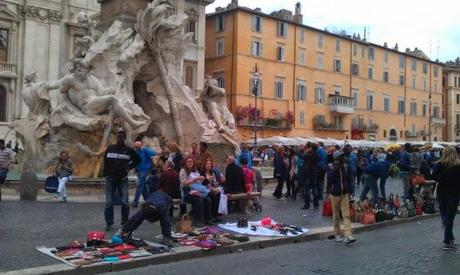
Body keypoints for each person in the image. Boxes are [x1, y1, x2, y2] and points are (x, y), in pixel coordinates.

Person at [103, 130, 141, 231]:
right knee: (108, 202)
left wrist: (129, 167)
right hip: (110, 178)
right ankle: (109, 223)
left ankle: (124, 222)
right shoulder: (110, 148)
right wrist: (106, 173)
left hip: (123, 178)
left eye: (121, 137)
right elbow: (105, 161)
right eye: (118, 137)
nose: (119, 139)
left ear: (124, 138)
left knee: (124, 201)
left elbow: (138, 159)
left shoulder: (128, 150)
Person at [432, 146, 460, 250]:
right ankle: (448, 241)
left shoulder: (440, 164)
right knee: (450, 218)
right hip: (454, 193)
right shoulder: (458, 165)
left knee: (445, 216)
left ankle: (449, 238)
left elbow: (433, 176)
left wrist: (443, 179)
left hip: (442, 192)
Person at [326, 150, 356, 244]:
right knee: (335, 216)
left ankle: (348, 235)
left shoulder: (346, 166)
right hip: (334, 194)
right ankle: (337, 234)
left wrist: (351, 190)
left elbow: (350, 179)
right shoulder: (330, 166)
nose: (344, 158)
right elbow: (330, 179)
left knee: (346, 215)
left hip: (344, 194)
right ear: (337, 158)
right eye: (342, 157)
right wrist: (336, 168)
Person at [179, 157, 213, 226]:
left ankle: (208, 219)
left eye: (191, 161)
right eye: (188, 161)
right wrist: (195, 179)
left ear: (193, 162)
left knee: (208, 199)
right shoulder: (183, 171)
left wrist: (202, 179)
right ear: (185, 163)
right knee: (198, 200)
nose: (189, 162)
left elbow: (199, 182)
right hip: (187, 192)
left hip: (197, 190)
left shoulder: (196, 170)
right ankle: (198, 220)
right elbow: (184, 183)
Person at [131, 141, 156, 208]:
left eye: (138, 148)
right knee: (143, 186)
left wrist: (153, 154)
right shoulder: (137, 151)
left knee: (139, 185)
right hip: (139, 169)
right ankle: (148, 201)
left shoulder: (145, 150)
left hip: (144, 169)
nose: (137, 149)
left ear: (140, 146)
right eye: (136, 148)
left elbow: (153, 153)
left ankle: (135, 202)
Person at [201, 158, 222, 222]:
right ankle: (211, 216)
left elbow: (214, 183)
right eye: (207, 164)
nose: (208, 165)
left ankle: (216, 215)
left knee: (218, 194)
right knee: (212, 195)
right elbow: (202, 183)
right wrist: (210, 184)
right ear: (204, 165)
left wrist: (215, 184)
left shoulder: (212, 172)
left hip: (211, 188)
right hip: (204, 189)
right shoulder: (202, 173)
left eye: (210, 164)